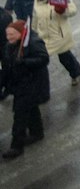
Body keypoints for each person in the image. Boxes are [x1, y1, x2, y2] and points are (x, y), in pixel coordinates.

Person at [1, 19, 49, 159]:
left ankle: (16, 147)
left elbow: (44, 58)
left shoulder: (33, 43)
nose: (9, 37)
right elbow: (7, 66)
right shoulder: (9, 46)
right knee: (31, 108)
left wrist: (25, 62)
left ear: (20, 33)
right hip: (19, 83)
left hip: (32, 83)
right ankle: (37, 132)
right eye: (7, 34)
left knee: (20, 114)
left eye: (12, 34)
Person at [29, 0, 78, 86]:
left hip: (59, 36)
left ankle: (75, 73)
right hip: (44, 37)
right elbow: (35, 17)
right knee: (41, 62)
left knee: (65, 58)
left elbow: (73, 10)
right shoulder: (37, 2)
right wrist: (33, 32)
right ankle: (40, 85)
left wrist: (63, 10)